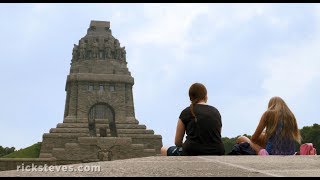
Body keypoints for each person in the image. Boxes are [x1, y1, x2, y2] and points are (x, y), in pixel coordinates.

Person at [160, 83, 225, 156]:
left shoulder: (186, 112)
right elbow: (216, 135)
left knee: (163, 149)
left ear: (190, 97)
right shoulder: (215, 111)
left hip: (192, 150)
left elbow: (177, 142)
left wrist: (185, 146)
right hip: (217, 150)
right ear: (205, 96)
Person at [236, 96, 301, 155]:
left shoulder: (268, 113)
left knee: (241, 138)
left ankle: (262, 152)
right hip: (290, 152)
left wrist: (262, 134)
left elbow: (254, 138)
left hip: (271, 152)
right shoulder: (291, 116)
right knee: (263, 135)